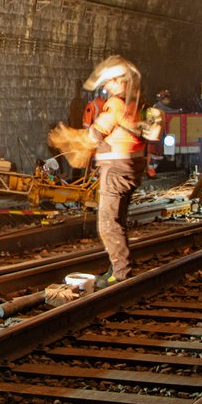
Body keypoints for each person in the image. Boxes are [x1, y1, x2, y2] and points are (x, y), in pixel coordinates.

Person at [82, 56, 148, 286]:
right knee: (118, 221)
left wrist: (85, 137)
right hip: (130, 168)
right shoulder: (135, 103)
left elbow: (98, 132)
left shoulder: (116, 104)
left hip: (116, 169)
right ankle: (119, 267)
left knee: (108, 224)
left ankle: (119, 274)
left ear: (120, 81)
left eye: (109, 82)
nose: (106, 87)